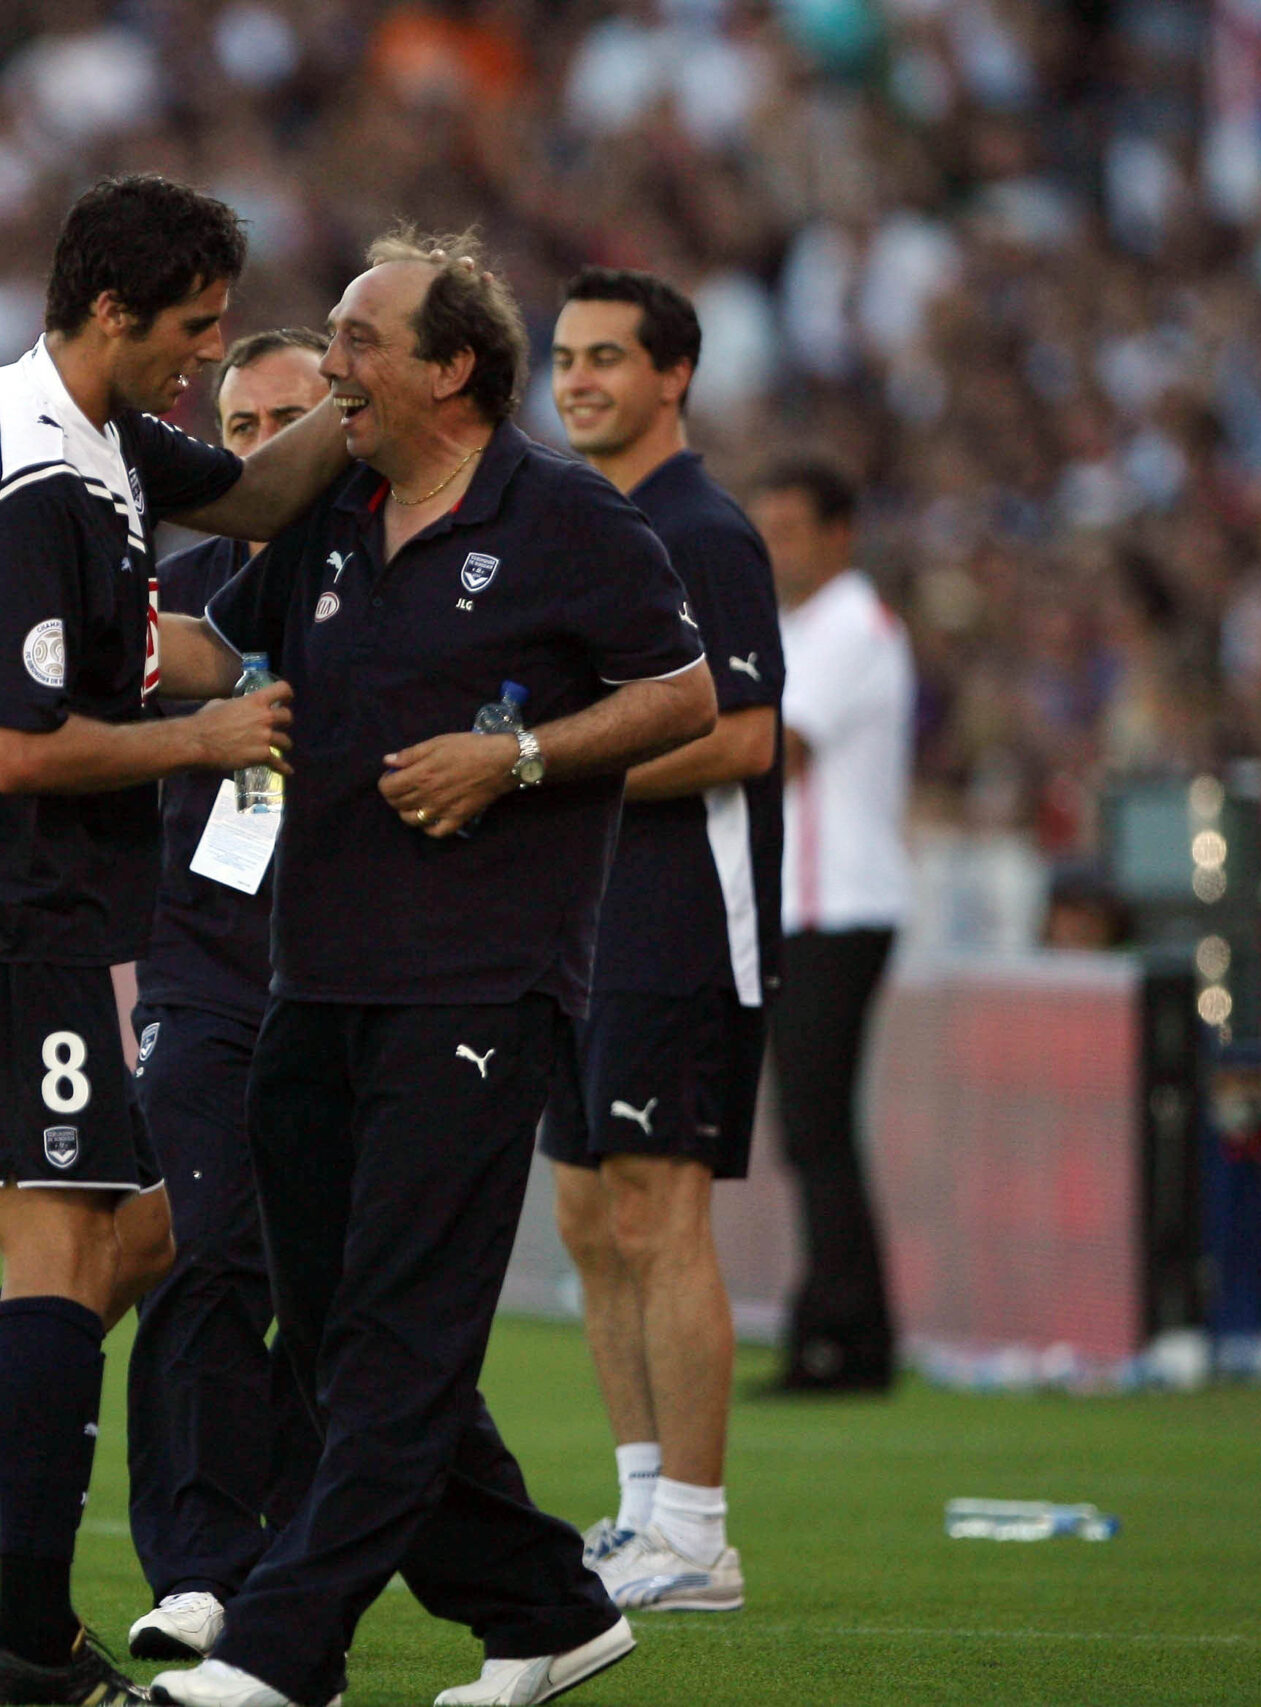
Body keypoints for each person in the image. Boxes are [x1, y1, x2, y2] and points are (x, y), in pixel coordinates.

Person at [0, 174, 348, 1705]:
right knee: (66, 1253)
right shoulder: (40, 481)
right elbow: (25, 746)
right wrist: (210, 730)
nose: (203, 358)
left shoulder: (51, 406)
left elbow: (240, 497)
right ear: (115, 310)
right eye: (193, 330)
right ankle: (34, 1632)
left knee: (138, 1235)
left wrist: (361, 395)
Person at [149, 230, 714, 1707]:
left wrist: (516, 754)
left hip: (479, 983)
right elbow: (218, 652)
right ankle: (543, 1605)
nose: (327, 360)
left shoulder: (567, 520)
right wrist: (43, 621)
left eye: (355, 336)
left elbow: (685, 694)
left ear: (449, 366)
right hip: (313, 974)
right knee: (339, 1331)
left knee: (399, 1330)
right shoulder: (335, 510)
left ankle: (283, 1644)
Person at [537, 268, 783, 1613]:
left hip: (684, 920)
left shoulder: (700, 525)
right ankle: (639, 1510)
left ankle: (699, 1529)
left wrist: (546, 768)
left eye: (607, 359)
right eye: (564, 358)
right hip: (583, 923)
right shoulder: (597, 521)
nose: (577, 380)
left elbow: (743, 733)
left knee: (657, 1207)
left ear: (673, 375)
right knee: (588, 1212)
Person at [123, 328, 329, 1663]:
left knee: (335, 1290)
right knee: (196, 1259)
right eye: (240, 426)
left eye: (286, 421)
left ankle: (299, 1553)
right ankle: (197, 1563)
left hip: (354, 981)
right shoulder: (178, 591)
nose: (258, 447)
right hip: (201, 970)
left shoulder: (391, 579)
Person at [748, 459, 913, 1394]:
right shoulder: (804, 624)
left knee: (815, 1125)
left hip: (838, 903)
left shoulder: (851, 622)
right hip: (807, 906)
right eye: (766, 527)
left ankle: (843, 1335)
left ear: (841, 533)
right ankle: (848, 1327)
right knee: (813, 1126)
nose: (776, 548)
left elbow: (782, 744)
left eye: (793, 528)